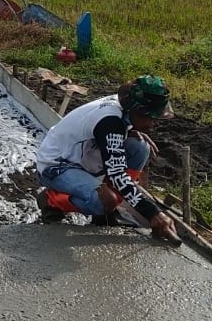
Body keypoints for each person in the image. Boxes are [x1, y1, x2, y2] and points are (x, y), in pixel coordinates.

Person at [34, 75, 180, 243]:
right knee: (105, 201)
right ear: (135, 109)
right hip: (56, 165)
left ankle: (106, 209)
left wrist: (129, 130)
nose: (152, 124)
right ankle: (52, 201)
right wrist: (153, 213)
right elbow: (117, 173)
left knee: (140, 148)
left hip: (82, 156)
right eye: (149, 117)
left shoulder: (124, 110)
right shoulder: (110, 121)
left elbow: (114, 135)